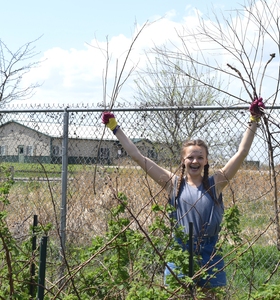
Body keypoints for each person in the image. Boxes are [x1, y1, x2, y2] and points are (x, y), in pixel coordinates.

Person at [101, 97, 265, 298]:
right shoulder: (173, 184)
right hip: (180, 251)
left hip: (209, 252)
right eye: (190, 157)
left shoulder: (216, 183)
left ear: (206, 161)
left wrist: (253, 120)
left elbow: (241, 153)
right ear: (183, 160)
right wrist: (115, 128)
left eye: (199, 157)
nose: (194, 161)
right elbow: (138, 157)